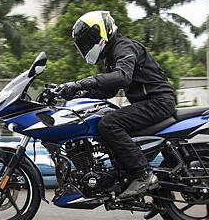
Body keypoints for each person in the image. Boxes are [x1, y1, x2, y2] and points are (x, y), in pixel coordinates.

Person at [56, 10, 176, 199]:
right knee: (103, 120)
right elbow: (107, 91)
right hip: (149, 103)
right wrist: (77, 93)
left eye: (89, 40)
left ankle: (143, 174)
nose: (87, 46)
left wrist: (83, 82)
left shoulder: (124, 47)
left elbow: (122, 76)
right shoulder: (112, 56)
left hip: (158, 102)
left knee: (109, 123)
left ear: (102, 33)